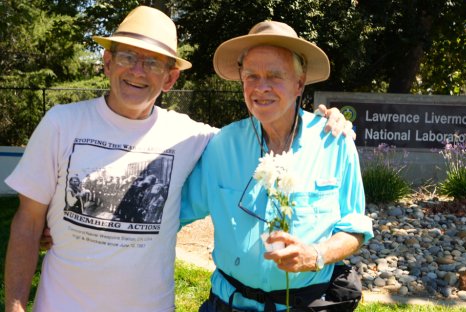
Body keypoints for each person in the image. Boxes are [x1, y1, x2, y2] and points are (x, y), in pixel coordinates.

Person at [4, 6, 352, 312]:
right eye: (127, 56)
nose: (138, 70)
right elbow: (27, 222)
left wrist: (326, 120)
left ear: (170, 78)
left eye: (153, 62)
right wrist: (17, 304)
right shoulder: (61, 123)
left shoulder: (197, 138)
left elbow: (272, 128)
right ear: (107, 62)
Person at [180, 21, 374, 311]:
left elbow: (355, 230)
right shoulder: (221, 145)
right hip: (230, 302)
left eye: (274, 75)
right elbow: (174, 212)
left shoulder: (334, 142)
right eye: (251, 76)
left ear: (299, 83)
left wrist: (316, 255)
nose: (261, 87)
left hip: (307, 303)